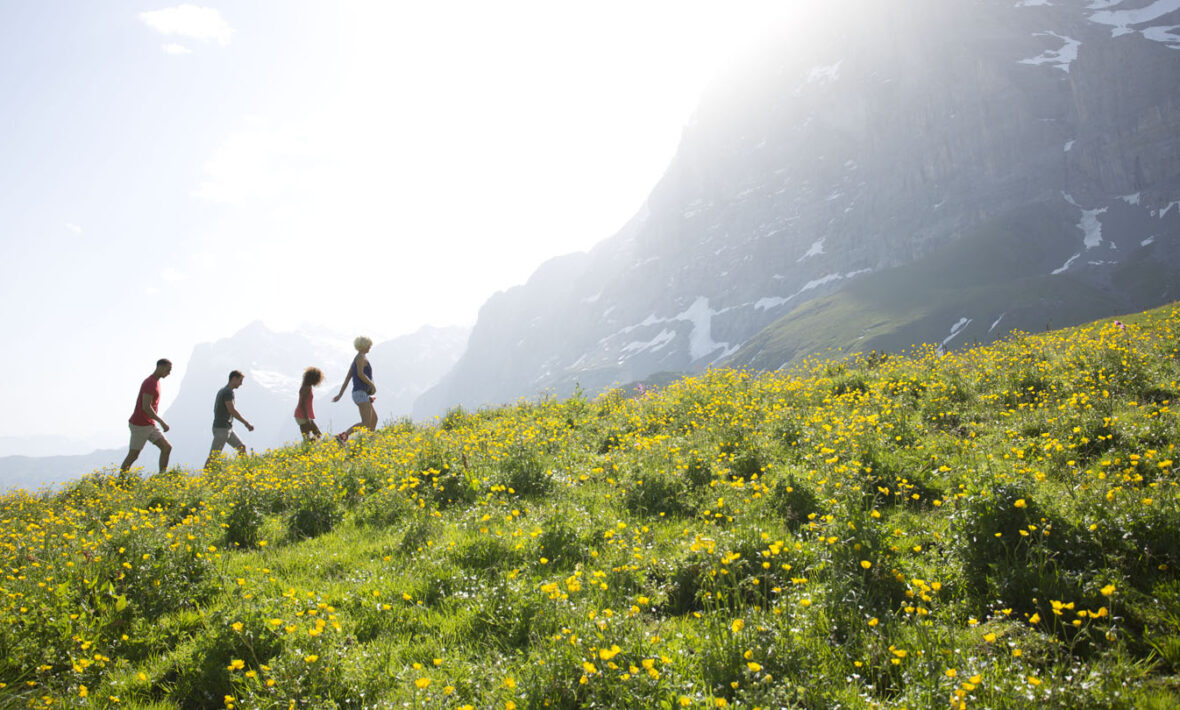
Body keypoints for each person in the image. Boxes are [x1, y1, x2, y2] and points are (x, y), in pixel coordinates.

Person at [120, 358, 173, 475]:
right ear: (160, 367)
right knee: (133, 455)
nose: (169, 373)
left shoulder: (156, 382)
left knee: (166, 448)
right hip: (139, 424)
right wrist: (162, 422)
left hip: (149, 424)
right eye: (168, 370)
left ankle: (161, 478)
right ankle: (120, 481)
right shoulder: (150, 383)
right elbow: (146, 407)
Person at [204, 370, 255, 468]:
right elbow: (231, 410)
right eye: (240, 381)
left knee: (241, 447)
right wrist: (246, 423)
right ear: (234, 379)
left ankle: (247, 470)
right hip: (221, 429)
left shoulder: (223, 390)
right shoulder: (228, 393)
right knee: (214, 456)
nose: (241, 384)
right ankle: (204, 478)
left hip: (226, 428)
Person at [332, 336, 376, 442]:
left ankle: (370, 440)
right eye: (369, 345)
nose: (370, 347)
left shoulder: (356, 359)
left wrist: (340, 394)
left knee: (374, 418)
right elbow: (360, 374)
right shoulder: (361, 357)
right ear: (363, 346)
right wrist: (372, 385)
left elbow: (348, 378)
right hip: (361, 393)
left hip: (360, 393)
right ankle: (343, 436)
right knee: (365, 422)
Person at [295, 366, 324, 440]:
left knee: (317, 435)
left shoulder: (307, 386)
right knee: (310, 437)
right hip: (302, 416)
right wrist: (307, 418)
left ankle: (310, 448)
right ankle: (308, 449)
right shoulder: (306, 388)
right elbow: (303, 404)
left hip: (304, 415)